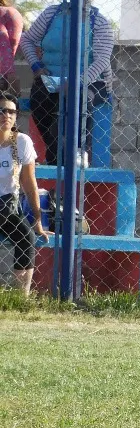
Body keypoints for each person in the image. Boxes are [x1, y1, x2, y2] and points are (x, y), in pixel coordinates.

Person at [20, 0, 115, 166]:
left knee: (80, 102)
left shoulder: (100, 22)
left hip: (88, 80)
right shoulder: (51, 15)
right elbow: (27, 39)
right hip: (50, 78)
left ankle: (79, 151)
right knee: (40, 102)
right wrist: (37, 67)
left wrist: (77, 82)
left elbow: (101, 60)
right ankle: (56, 155)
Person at [0, 94, 50, 295]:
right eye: (2, 110)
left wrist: (38, 219)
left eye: (11, 111)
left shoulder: (21, 142)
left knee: (26, 236)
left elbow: (29, 183)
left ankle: (21, 296)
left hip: (6, 207)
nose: (6, 115)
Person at [0, 0, 24, 98]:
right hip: (5, 75)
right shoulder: (12, 13)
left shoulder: (3, 13)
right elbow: (11, 46)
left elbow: (4, 46)